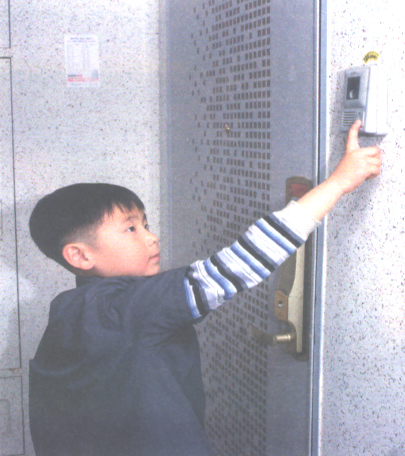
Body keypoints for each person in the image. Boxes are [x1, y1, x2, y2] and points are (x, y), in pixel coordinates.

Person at [28, 120, 381, 456]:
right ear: (80, 255)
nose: (152, 237)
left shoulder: (75, 308)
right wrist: (338, 182)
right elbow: (238, 264)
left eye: (146, 224)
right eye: (131, 229)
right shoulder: (118, 310)